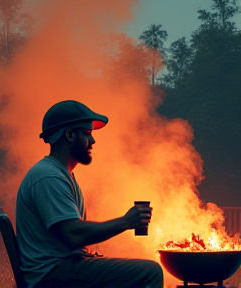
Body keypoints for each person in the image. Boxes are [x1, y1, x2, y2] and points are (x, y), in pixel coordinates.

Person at [16, 100, 164, 288]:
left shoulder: (61, 174)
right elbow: (73, 235)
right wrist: (127, 222)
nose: (93, 141)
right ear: (69, 135)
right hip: (52, 276)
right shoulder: (48, 176)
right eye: (87, 133)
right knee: (150, 272)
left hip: (65, 269)